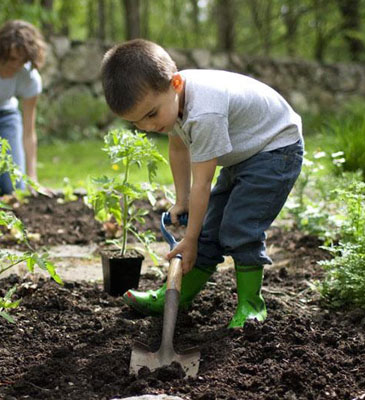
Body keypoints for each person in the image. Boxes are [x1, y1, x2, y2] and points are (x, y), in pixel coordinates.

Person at [101, 39, 304, 328]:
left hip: (275, 149)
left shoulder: (204, 112)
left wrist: (190, 239)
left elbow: (203, 182)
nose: (148, 127)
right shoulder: (172, 101)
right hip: (244, 151)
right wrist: (182, 201)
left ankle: (251, 306)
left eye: (151, 115)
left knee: (239, 226)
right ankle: (176, 297)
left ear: (175, 83)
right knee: (209, 229)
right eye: (137, 123)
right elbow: (178, 148)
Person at [0, 20, 46, 195]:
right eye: (11, 59)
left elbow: (28, 132)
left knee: (13, 187)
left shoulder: (29, 78)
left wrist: (32, 178)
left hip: (7, 116)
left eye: (22, 60)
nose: (16, 66)